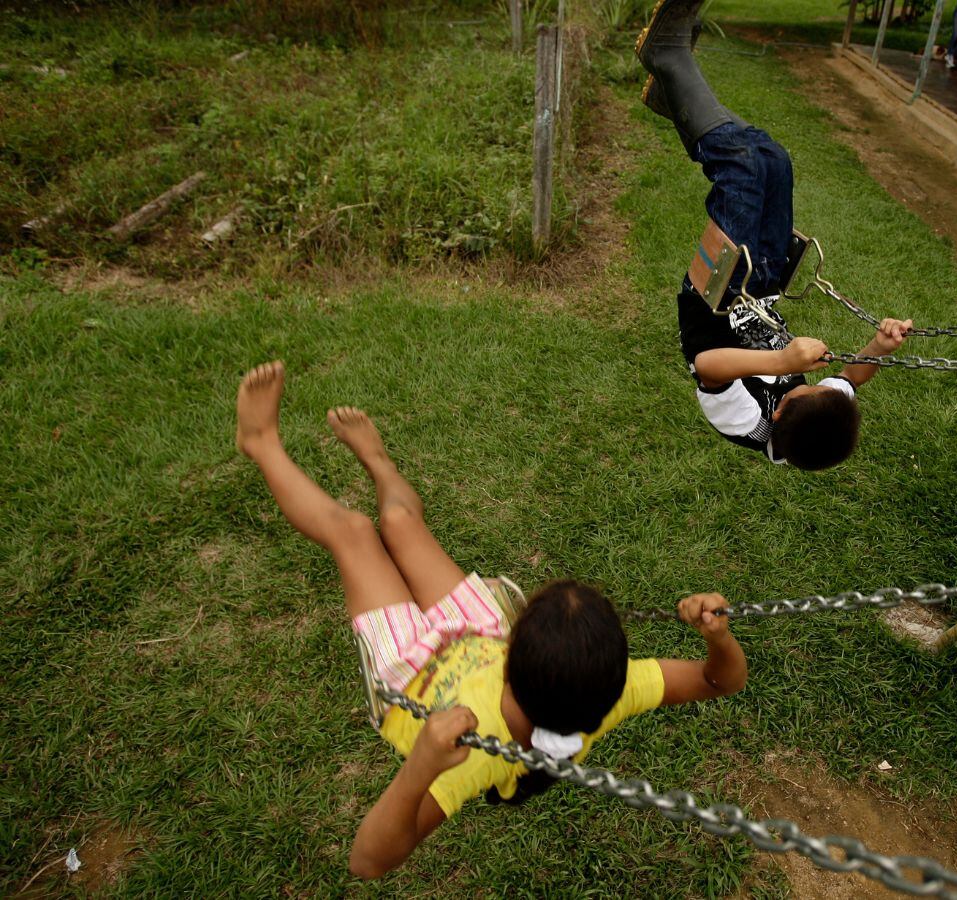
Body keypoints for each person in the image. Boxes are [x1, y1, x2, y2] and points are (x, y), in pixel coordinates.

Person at [232, 361, 749, 879]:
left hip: (414, 676)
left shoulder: (472, 757)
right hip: (477, 636)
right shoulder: (614, 693)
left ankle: (260, 442)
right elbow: (719, 680)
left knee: (354, 531)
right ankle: (378, 462)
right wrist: (718, 637)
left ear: (513, 646)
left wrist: (420, 769)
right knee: (397, 521)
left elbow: (367, 862)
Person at [638, 0, 914, 470]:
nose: (818, 385)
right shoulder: (819, 413)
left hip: (715, 296)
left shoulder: (752, 424)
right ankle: (674, 100)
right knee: (773, 160)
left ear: (784, 408)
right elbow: (852, 378)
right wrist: (878, 348)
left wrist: (784, 364)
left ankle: (666, 55)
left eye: (806, 390)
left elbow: (706, 368)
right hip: (761, 289)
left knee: (741, 171)